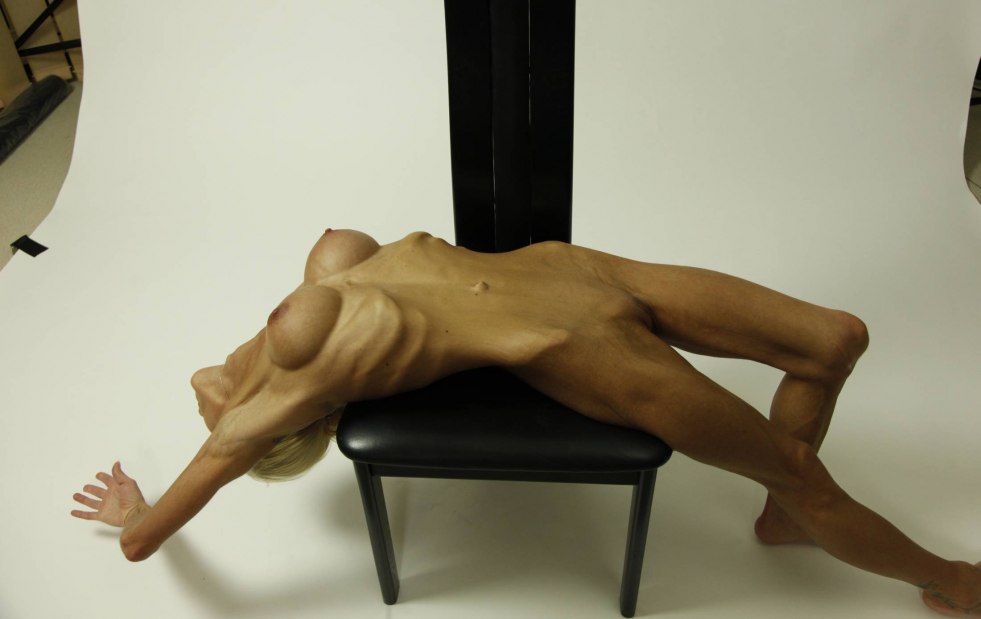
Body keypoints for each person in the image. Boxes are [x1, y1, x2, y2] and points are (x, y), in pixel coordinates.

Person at [71, 229, 980, 615]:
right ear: (270, 437)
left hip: (574, 268)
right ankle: (946, 580)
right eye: (217, 418)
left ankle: (783, 512)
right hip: (575, 344)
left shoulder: (323, 279)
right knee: (804, 472)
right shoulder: (282, 394)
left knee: (834, 339)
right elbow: (144, 540)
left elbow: (355, 258)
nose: (202, 397)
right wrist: (135, 512)